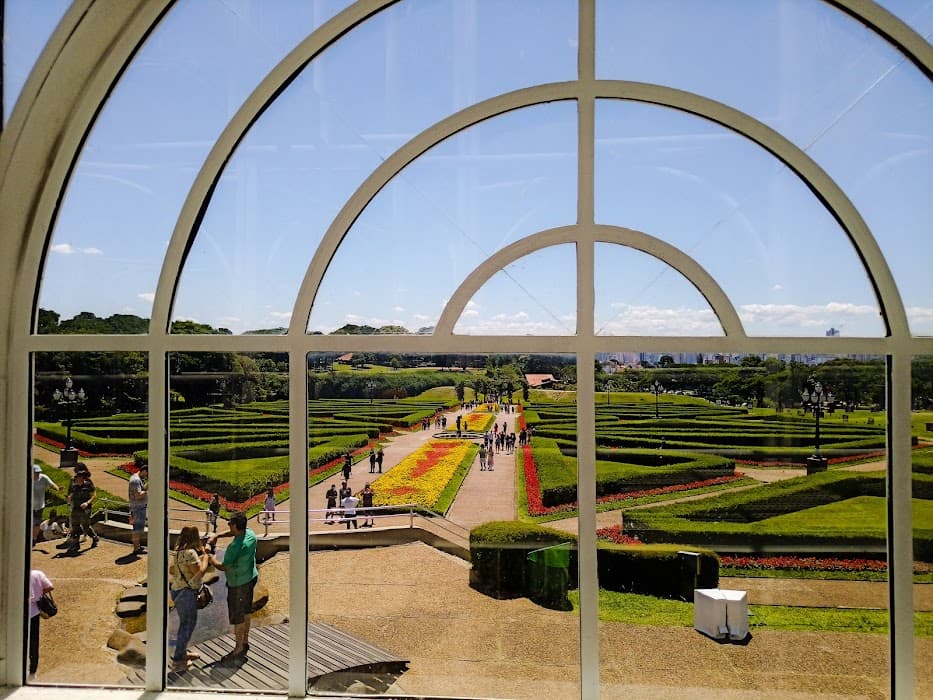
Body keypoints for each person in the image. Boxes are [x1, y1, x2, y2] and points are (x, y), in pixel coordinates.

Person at [207, 511, 258, 664]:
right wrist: (217, 536)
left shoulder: (235, 547)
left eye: (230, 524)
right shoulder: (250, 534)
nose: (228, 525)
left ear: (235, 526)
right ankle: (246, 640)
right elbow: (233, 533)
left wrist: (210, 557)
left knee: (238, 617)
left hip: (238, 584)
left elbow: (223, 567)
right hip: (250, 577)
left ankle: (238, 648)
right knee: (247, 610)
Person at [168, 526, 210, 672]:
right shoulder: (191, 553)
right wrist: (205, 558)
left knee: (184, 624)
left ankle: (182, 652)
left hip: (177, 590)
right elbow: (199, 573)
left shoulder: (179, 551)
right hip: (186, 594)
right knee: (187, 626)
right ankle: (178, 661)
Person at [28, 569, 53, 681]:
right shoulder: (37, 574)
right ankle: (32, 670)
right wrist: (38, 594)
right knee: (34, 642)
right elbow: (50, 587)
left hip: (18, 614)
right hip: (34, 613)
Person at [65, 464, 98, 551]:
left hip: (85, 509)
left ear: (82, 478)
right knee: (75, 525)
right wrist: (69, 499)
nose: (76, 478)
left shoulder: (88, 484)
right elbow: (70, 494)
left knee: (85, 526)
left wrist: (87, 503)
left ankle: (94, 537)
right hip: (75, 507)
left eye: (78, 477)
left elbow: (94, 495)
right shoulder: (73, 485)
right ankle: (76, 544)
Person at [31, 464, 60, 546]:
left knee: (36, 523)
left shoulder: (43, 477)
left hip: (39, 506)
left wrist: (56, 488)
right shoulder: (25, 478)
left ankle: (34, 539)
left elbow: (52, 485)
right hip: (28, 506)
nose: (37, 474)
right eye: (35, 472)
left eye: (38, 472)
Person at [128, 464, 148, 555]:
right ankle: (136, 549)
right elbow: (138, 495)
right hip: (138, 508)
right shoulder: (136, 480)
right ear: (144, 471)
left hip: (138, 508)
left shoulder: (136, 478)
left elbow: (141, 490)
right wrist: (148, 491)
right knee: (137, 529)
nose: (147, 476)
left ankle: (137, 547)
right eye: (147, 474)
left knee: (138, 528)